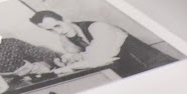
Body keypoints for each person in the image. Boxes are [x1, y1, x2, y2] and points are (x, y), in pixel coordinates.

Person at [29, 9, 178, 78]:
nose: (58, 32)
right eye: (51, 30)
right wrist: (69, 60)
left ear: (66, 20)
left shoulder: (99, 27)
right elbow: (80, 56)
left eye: (57, 26)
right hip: (134, 75)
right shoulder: (67, 37)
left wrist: (60, 70)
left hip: (159, 69)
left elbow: (97, 60)